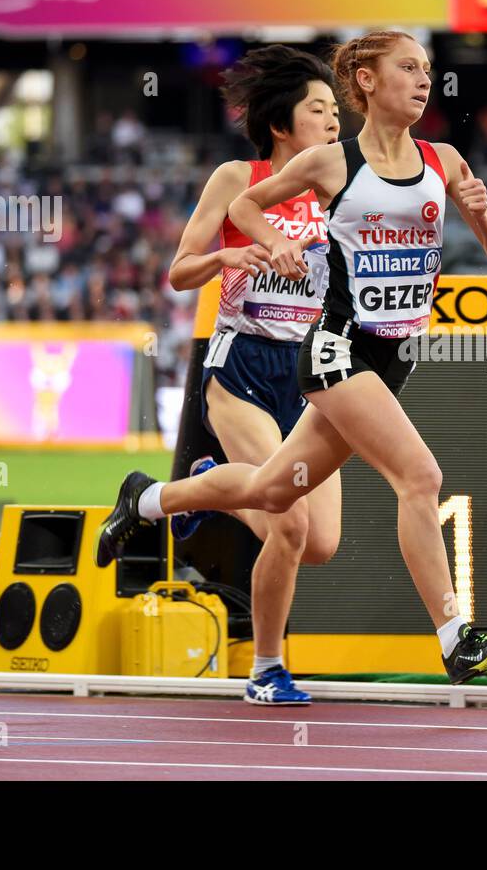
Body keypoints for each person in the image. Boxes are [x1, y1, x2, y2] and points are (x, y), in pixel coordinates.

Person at [99, 31, 487, 684]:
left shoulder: (443, 159)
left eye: (428, 70)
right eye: (407, 68)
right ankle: (453, 636)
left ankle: (151, 500)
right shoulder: (329, 166)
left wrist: (483, 212)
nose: (423, 80)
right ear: (368, 83)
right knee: (418, 476)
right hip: (325, 354)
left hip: (388, 358)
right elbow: (240, 209)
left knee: (282, 500)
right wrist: (263, 243)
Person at [165, 45, 342, 704]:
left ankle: (208, 485)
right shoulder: (237, 177)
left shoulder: (339, 186)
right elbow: (180, 270)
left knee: (320, 542)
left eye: (336, 111)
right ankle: (268, 670)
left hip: (309, 378)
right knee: (288, 524)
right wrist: (234, 258)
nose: (332, 123)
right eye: (318, 111)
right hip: (240, 369)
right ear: (281, 125)